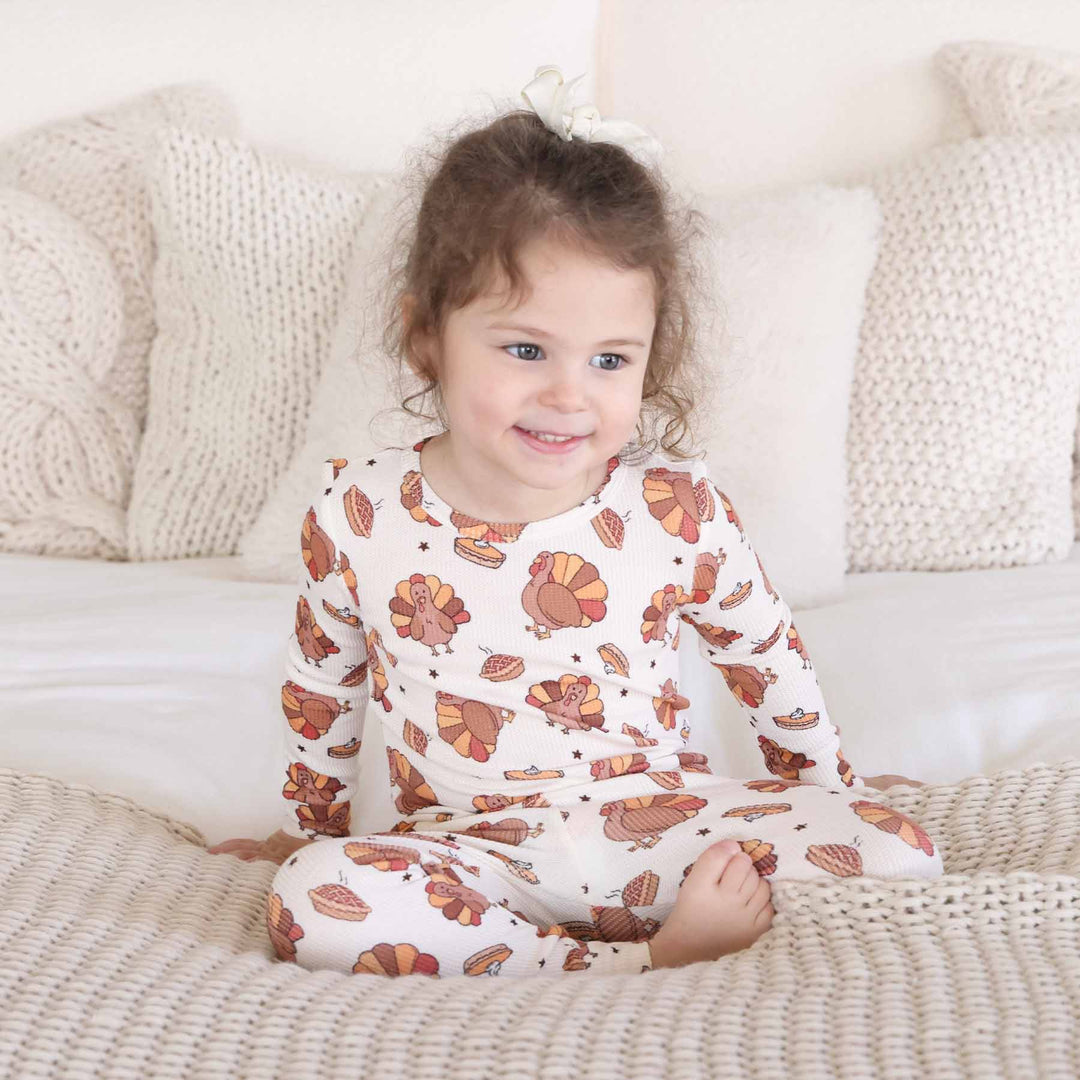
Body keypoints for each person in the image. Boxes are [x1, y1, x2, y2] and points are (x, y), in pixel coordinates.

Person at [208, 64, 942, 978]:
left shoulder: (675, 508)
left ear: (649, 356)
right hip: (471, 855)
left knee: (897, 849)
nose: (567, 394)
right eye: (524, 349)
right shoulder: (358, 510)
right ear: (425, 335)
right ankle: (629, 965)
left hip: (657, 828)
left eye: (608, 359)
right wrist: (304, 835)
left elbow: (768, 664)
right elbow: (322, 692)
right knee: (311, 903)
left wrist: (831, 796)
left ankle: (637, 929)